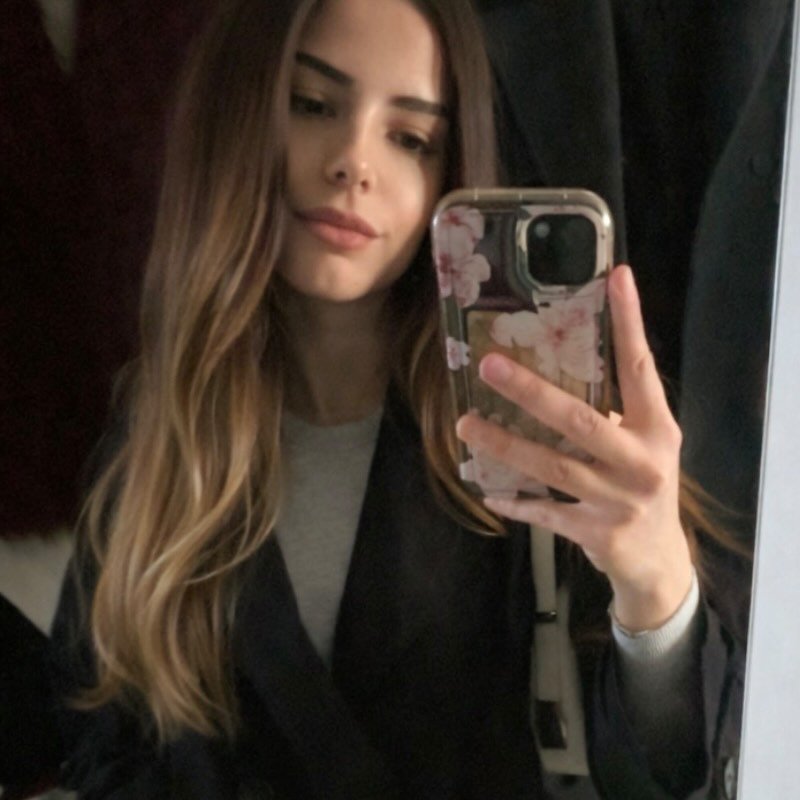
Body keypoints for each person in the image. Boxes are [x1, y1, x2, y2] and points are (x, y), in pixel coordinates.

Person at [50, 0, 739, 798]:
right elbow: (97, 738)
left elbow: (661, 768)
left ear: (450, 177)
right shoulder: (159, 429)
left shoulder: (531, 440)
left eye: (410, 138)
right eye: (314, 104)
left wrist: (656, 588)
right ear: (234, 116)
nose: (354, 162)